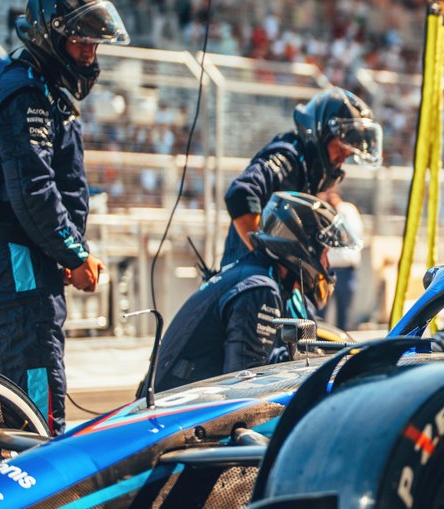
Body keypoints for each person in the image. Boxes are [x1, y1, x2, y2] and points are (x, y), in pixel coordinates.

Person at [0, 0, 129, 433]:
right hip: (14, 257)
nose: (90, 55)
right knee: (35, 407)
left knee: (21, 392)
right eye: (81, 43)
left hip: (20, 257)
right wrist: (73, 254)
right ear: (51, 36)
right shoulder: (25, 93)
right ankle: (36, 499)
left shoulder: (43, 89)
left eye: (95, 45)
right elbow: (33, 191)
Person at [151, 192, 356, 392]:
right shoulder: (260, 289)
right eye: (325, 253)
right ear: (305, 249)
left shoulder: (253, 274)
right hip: (178, 418)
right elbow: (245, 384)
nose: (327, 265)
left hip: (177, 409)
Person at [221, 87, 382, 266]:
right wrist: (267, 257)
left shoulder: (305, 168)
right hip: (248, 283)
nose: (341, 161)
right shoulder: (289, 157)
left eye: (347, 156)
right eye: (340, 150)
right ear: (322, 135)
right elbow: (240, 194)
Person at [323, 186, 364, 330]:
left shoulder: (347, 210)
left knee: (344, 313)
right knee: (321, 312)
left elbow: (351, 235)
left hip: (346, 270)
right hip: (327, 269)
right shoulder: (322, 210)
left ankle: (344, 346)